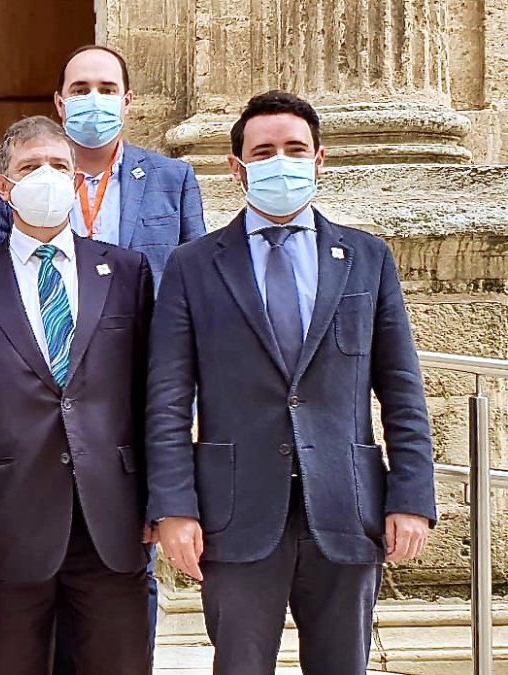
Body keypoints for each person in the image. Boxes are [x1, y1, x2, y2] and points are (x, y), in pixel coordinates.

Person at [147, 90, 437, 675]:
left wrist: (411, 498)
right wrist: (174, 507)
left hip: (346, 507)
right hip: (235, 513)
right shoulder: (193, 265)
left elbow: (402, 389)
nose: (282, 160)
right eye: (265, 150)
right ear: (238, 167)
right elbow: (169, 400)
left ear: (319, 159)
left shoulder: (366, 258)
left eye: (295, 148)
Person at [0, 115, 153, 675]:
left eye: (59, 165)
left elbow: (152, 397)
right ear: (2, 187)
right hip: (7, 527)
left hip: (113, 520)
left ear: (78, 178)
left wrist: (163, 502)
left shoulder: (126, 273)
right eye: (30, 167)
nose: (47, 177)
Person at [0, 45, 205, 287]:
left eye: (107, 90)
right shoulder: (21, 180)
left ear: (126, 101)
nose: (94, 99)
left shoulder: (173, 178)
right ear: (60, 103)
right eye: (81, 90)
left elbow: (196, 272)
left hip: (146, 322)